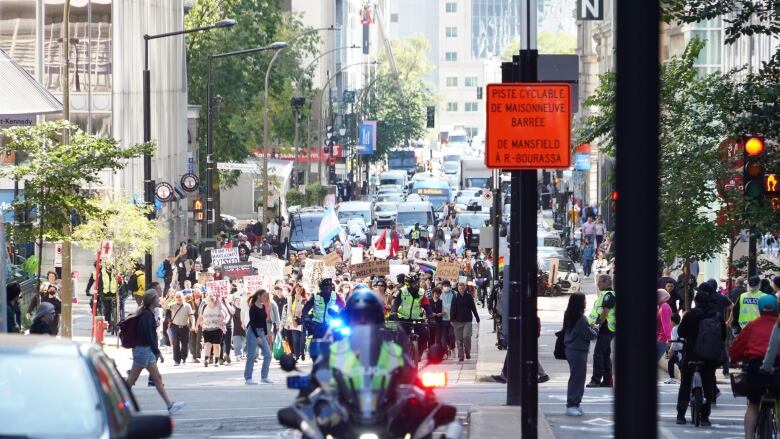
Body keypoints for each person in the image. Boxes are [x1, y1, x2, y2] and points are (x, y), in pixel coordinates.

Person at [125, 291, 185, 414]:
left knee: (157, 378)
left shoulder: (147, 314)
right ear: (153, 301)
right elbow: (149, 337)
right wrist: (157, 352)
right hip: (142, 350)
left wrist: (157, 352)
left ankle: (170, 405)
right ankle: (118, 405)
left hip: (145, 350)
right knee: (131, 380)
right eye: (157, 298)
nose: (159, 300)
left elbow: (149, 336)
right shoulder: (147, 316)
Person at [731, 294, 780, 438]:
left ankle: (748, 437)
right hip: (777, 366)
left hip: (755, 366)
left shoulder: (752, 325)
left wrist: (734, 359)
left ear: (759, 309)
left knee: (753, 404)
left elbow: (737, 347)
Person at [675, 292, 726, 426]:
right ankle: (704, 418)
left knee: (685, 384)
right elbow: (723, 336)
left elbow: (680, 332)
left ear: (696, 302)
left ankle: (681, 415)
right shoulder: (717, 316)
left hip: (692, 355)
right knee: (708, 384)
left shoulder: (691, 315)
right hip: (709, 357)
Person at [562, 293, 597, 416]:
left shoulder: (569, 315)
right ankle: (572, 404)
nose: (586, 303)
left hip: (572, 349)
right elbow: (588, 334)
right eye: (584, 301)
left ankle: (575, 403)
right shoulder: (581, 318)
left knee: (577, 377)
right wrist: (595, 330)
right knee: (577, 378)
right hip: (578, 350)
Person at [392, 274, 431, 360]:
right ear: (408, 284)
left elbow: (426, 305)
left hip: (417, 319)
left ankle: (419, 352)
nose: (416, 285)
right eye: (414, 283)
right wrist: (394, 312)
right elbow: (396, 303)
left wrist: (430, 314)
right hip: (403, 319)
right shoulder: (402, 291)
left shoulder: (421, 292)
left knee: (425, 333)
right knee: (398, 336)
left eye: (417, 282)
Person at [586, 274, 616, 388]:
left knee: (598, 353)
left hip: (607, 328)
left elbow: (605, 311)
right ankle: (608, 380)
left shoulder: (609, 295)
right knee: (605, 353)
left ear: (606, 283)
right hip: (605, 328)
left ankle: (596, 380)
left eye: (600, 282)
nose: (598, 284)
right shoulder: (603, 294)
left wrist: (599, 323)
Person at [245, 289, 274, 384]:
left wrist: (266, 334)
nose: (266, 298)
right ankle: (248, 378)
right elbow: (252, 323)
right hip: (253, 332)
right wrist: (257, 337)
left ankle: (264, 377)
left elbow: (264, 322)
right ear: (259, 296)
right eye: (264, 296)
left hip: (261, 332)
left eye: (266, 296)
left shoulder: (263, 306)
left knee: (268, 354)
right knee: (251, 356)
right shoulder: (253, 307)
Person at [450, 281, 480, 362]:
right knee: (459, 340)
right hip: (457, 321)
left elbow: (473, 308)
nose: (461, 290)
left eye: (462, 288)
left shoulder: (469, 297)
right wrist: (451, 319)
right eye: (459, 289)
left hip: (467, 320)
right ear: (458, 289)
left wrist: (477, 318)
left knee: (466, 337)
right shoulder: (455, 297)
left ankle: (467, 351)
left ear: (465, 288)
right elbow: (452, 309)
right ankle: (461, 356)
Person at [197, 292, 229, 367]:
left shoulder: (220, 306)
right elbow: (200, 317)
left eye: (213, 296)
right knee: (207, 344)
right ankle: (206, 359)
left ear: (216, 298)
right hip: (206, 329)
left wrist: (225, 321)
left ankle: (216, 360)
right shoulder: (204, 306)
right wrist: (199, 324)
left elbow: (227, 315)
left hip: (217, 328)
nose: (211, 297)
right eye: (210, 296)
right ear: (207, 298)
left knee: (216, 345)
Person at [165, 292, 194, 366]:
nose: (179, 298)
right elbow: (164, 305)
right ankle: (177, 360)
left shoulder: (187, 306)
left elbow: (191, 317)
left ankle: (184, 358)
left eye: (180, 296)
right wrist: (169, 298)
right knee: (176, 344)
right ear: (175, 298)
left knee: (185, 344)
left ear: (183, 297)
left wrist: (193, 325)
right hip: (175, 327)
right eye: (177, 297)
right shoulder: (173, 305)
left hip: (185, 327)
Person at [665, 313, 683, 384]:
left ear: (672, 321)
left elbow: (674, 341)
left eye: (670, 321)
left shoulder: (674, 329)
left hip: (678, 350)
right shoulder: (680, 327)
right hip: (680, 349)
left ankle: (674, 378)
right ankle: (672, 378)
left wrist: (670, 350)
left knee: (680, 365)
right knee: (671, 362)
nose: (670, 322)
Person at [657, 288, 673, 363]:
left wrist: (670, 339)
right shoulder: (660, 307)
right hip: (659, 338)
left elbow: (666, 325)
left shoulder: (664, 307)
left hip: (662, 339)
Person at [189, 291, 204, 363]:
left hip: (200, 323)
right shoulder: (190, 303)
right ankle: (193, 355)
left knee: (199, 339)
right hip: (191, 323)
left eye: (198, 293)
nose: (197, 295)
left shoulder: (203, 302)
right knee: (192, 340)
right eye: (195, 293)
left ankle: (198, 356)